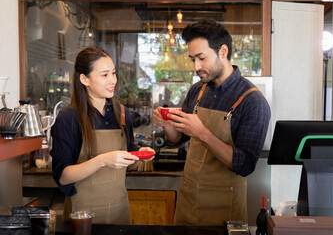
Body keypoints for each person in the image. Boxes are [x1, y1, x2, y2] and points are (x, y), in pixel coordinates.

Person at [153, 20, 271, 226]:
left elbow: (244, 165)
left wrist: (203, 133)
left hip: (225, 208)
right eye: (192, 59)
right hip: (188, 200)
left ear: (223, 51)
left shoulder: (252, 101)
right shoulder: (196, 91)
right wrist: (167, 126)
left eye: (201, 58)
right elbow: (179, 139)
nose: (196, 67)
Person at [50, 46, 153, 225]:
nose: (112, 80)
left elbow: (129, 164)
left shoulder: (122, 114)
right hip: (82, 216)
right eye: (104, 75)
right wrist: (102, 160)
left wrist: (139, 156)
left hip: (119, 212)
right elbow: (63, 176)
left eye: (113, 73)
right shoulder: (69, 118)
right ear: (84, 79)